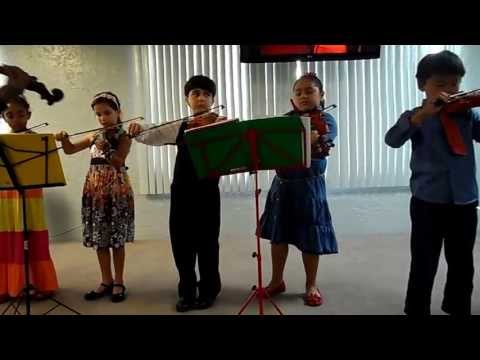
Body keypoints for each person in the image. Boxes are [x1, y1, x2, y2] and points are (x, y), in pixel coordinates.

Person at [385, 50, 479, 316]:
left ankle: (458, 307)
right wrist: (421, 116)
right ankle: (417, 309)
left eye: (455, 83)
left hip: (464, 201)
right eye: (440, 84)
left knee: (462, 262)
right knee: (424, 261)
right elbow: (392, 140)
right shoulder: (416, 116)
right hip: (428, 201)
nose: (449, 90)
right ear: (422, 85)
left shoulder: (467, 115)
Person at [128, 75, 225, 312]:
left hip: (208, 192)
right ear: (187, 100)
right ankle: (188, 289)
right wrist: (137, 128)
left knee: (208, 242)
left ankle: (210, 288)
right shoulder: (180, 126)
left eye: (206, 94)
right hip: (182, 192)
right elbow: (152, 133)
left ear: (213, 99)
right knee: (181, 242)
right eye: (195, 94)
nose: (201, 98)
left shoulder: (222, 124)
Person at [258, 72, 338, 307]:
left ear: (321, 95)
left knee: (311, 235)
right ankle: (276, 281)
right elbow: (271, 147)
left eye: (309, 91)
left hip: (310, 185)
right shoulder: (285, 121)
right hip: (282, 185)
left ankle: (311, 284)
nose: (303, 95)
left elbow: (326, 139)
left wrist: (315, 138)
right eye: (298, 92)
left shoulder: (327, 119)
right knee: (278, 236)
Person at [55, 91, 134, 303]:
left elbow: (118, 162)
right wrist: (64, 139)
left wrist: (106, 147)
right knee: (100, 240)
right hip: (95, 191)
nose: (102, 118)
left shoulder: (123, 136)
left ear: (119, 113)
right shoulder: (93, 136)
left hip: (116, 191)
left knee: (116, 240)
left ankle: (118, 281)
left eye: (107, 113)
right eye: (98, 114)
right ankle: (105, 280)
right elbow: (70, 150)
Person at [0, 95, 59, 304]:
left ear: (29, 114)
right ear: (4, 117)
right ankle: (9, 285)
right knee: (8, 238)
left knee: (32, 236)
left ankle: (38, 283)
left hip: (31, 196)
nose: (16, 119)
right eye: (10, 115)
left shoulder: (37, 140)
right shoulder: (2, 142)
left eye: (21, 114)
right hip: (6, 196)